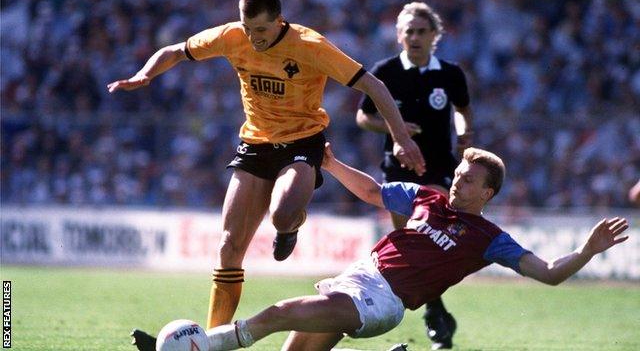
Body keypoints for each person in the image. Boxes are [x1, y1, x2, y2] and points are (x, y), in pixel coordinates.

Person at [109, 0, 425, 346]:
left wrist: (401, 138)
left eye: (260, 29)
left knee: (283, 213)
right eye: (247, 27)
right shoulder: (232, 36)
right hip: (256, 145)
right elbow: (175, 51)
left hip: (303, 143)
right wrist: (144, 75)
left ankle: (289, 225)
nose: (253, 37)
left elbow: (373, 84)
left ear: (279, 21)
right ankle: (213, 342)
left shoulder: (309, 45)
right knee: (229, 247)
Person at [158, 143, 629, 351]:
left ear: (487, 194)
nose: (457, 181)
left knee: (278, 312)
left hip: (381, 301)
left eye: (469, 180)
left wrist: (587, 250)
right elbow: (370, 192)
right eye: (459, 173)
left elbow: (547, 271)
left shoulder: (489, 239)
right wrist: (334, 163)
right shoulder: (426, 197)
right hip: (357, 276)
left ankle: (201, 346)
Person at [355, 2, 472, 349]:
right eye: (409, 31)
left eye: (422, 31)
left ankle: (434, 314)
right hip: (397, 168)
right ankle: (436, 311)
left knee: (429, 233)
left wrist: (465, 133)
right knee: (411, 242)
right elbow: (363, 117)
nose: (415, 37)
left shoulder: (450, 74)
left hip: (438, 166)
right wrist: (395, 129)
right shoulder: (385, 72)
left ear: (435, 35)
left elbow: (463, 110)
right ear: (399, 35)